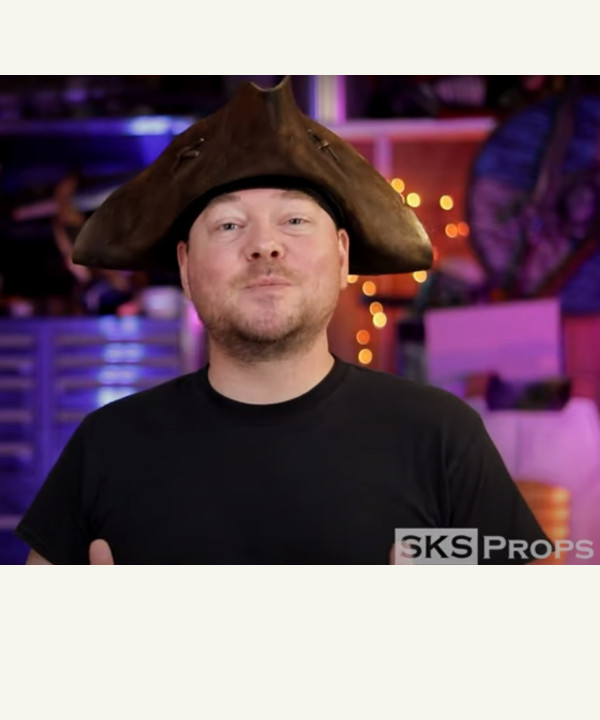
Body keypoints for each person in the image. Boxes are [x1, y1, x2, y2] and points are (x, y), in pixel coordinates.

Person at [16, 77, 551, 564]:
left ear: (342, 256)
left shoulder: (439, 436)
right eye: (229, 225)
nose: (265, 245)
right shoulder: (109, 445)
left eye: (294, 220)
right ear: (185, 267)